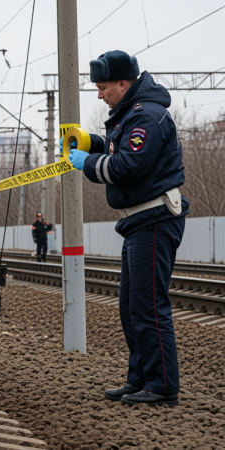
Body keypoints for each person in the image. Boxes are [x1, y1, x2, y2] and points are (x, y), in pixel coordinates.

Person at [66, 50, 188, 407]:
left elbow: (128, 166)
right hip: (138, 220)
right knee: (132, 306)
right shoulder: (130, 115)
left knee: (149, 306)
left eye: (103, 87)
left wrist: (87, 162)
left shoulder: (147, 116)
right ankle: (140, 379)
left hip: (154, 218)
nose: (99, 95)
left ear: (124, 83)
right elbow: (122, 149)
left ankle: (163, 386)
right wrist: (93, 144)